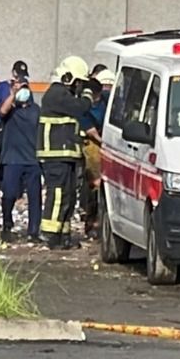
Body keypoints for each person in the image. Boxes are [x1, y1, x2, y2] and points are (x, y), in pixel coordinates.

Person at [37, 55, 94, 250]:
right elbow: (81, 108)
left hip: (66, 154)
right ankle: (50, 235)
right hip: (55, 154)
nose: (79, 86)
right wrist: (88, 94)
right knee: (59, 193)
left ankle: (63, 234)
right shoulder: (56, 94)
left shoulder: (65, 96)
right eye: (79, 82)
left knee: (69, 194)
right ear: (68, 77)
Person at [0, 68, 42, 243]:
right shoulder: (11, 110)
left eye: (24, 87)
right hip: (12, 159)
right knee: (8, 194)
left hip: (32, 159)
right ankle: (7, 225)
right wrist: (13, 93)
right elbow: (1, 112)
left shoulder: (35, 110)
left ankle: (33, 231)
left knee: (34, 196)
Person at [0, 61, 31, 190]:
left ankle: (18, 186)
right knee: (4, 155)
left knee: (19, 155)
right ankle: (2, 182)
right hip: (4, 126)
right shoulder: (2, 87)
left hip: (19, 128)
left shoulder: (25, 88)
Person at [78, 79, 105, 239]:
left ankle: (98, 221)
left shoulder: (105, 102)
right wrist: (106, 141)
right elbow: (91, 131)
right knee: (93, 185)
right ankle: (91, 222)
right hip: (92, 146)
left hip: (102, 145)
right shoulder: (83, 107)